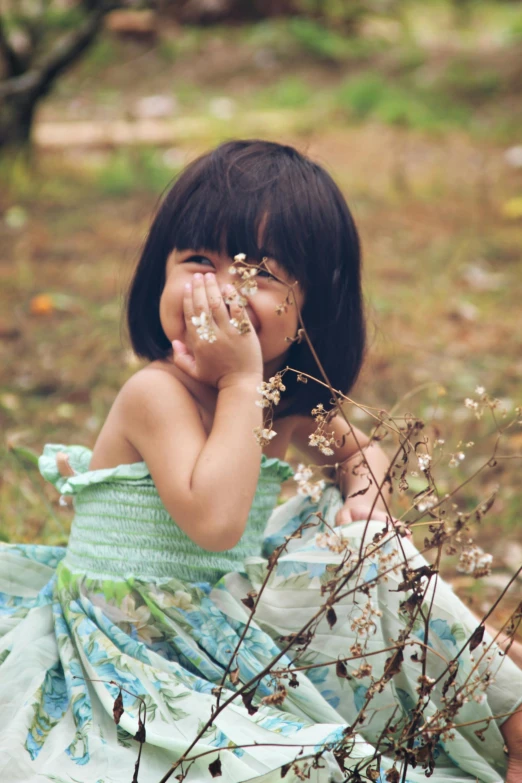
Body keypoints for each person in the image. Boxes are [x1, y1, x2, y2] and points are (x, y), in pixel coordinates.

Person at [0, 140, 520, 783]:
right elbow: (214, 523)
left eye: (262, 275)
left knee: (373, 552)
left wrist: (367, 500)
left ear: (308, 311)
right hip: (134, 645)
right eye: (198, 261)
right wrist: (239, 382)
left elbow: (360, 450)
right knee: (288, 763)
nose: (222, 290)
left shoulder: (276, 405)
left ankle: (509, 715)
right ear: (156, 275)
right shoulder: (155, 395)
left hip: (220, 614)